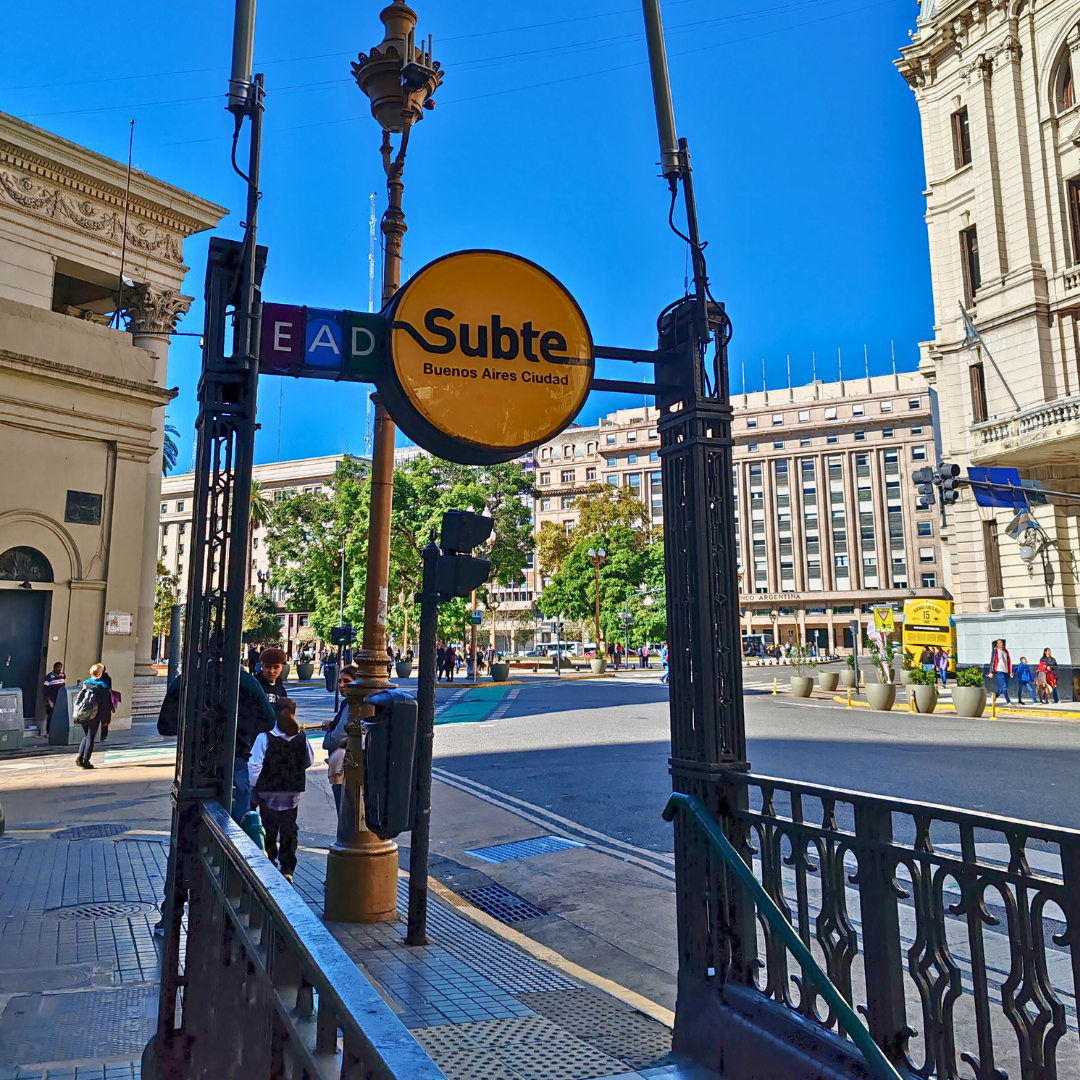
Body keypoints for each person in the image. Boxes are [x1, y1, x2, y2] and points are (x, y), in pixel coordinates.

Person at [249, 698, 314, 883]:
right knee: (289, 829)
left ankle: (269, 860)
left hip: (268, 790)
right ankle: (288, 868)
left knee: (269, 827)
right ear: (294, 713)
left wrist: (253, 786)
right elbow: (308, 760)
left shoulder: (265, 737)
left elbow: (254, 765)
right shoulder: (301, 736)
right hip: (292, 791)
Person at [323, 664, 358, 812]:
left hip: (343, 761)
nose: (342, 685)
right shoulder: (348, 702)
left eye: (347, 682)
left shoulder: (352, 704)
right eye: (340, 681)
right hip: (345, 761)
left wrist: (327, 740)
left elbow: (339, 736)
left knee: (344, 809)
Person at [75, 664, 113, 769]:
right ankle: (86, 760)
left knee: (86, 735)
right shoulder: (102, 686)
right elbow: (106, 704)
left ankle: (80, 756)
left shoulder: (85, 683)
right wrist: (106, 719)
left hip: (83, 713)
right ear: (100, 673)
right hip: (95, 714)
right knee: (90, 737)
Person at [255, 646, 290, 714]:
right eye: (268, 667)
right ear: (262, 667)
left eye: (276, 667)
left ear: (282, 668)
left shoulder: (281, 689)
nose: (271, 671)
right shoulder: (254, 685)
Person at [43, 662, 65, 736]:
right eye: (58, 667)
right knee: (50, 714)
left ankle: (57, 731)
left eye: (60, 667)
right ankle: (48, 731)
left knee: (59, 715)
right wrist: (49, 700)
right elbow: (45, 690)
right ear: (54, 668)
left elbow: (63, 686)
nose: (59, 669)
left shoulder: (63, 675)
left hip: (59, 698)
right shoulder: (49, 677)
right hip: (51, 698)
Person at [990, 638, 1012, 704]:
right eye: (999, 642)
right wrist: (991, 671)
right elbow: (992, 661)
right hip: (999, 670)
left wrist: (1011, 671)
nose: (1001, 643)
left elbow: (1009, 662)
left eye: (1002, 642)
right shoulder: (996, 651)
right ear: (997, 644)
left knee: (1004, 687)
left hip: (1006, 671)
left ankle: (995, 695)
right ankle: (1008, 701)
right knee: (1004, 686)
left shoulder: (1006, 652)